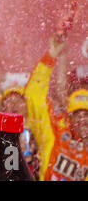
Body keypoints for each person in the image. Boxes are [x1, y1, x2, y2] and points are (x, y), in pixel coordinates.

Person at [0, 32, 70, 180]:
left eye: (18, 99)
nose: (13, 104)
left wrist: (54, 56)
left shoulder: (40, 134)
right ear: (2, 109)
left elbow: (38, 92)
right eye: (8, 100)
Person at [29, 34, 87, 181]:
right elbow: (34, 95)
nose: (83, 120)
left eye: (87, 114)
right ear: (69, 117)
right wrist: (51, 56)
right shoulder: (54, 132)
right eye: (77, 114)